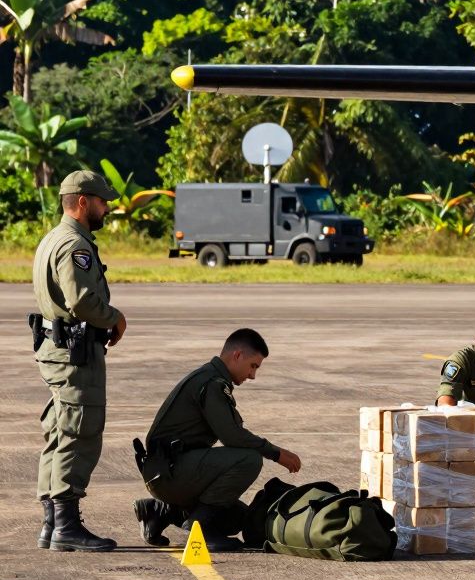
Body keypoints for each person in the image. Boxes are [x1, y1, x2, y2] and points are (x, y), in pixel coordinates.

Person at [133, 329, 302, 552]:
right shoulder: (211, 383)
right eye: (253, 366)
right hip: (169, 473)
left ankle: (159, 512)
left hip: (166, 471)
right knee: (249, 460)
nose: (253, 375)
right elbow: (232, 435)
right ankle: (199, 530)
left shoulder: (209, 377)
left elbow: (233, 432)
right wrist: (275, 453)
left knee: (236, 518)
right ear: (237, 355)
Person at [30, 170, 128, 552]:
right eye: (102, 201)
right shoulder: (75, 245)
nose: (106, 208)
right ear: (83, 202)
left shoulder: (52, 239)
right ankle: (66, 527)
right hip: (74, 355)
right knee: (78, 432)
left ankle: (52, 523)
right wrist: (116, 317)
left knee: (58, 431)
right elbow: (83, 302)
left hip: (57, 351)